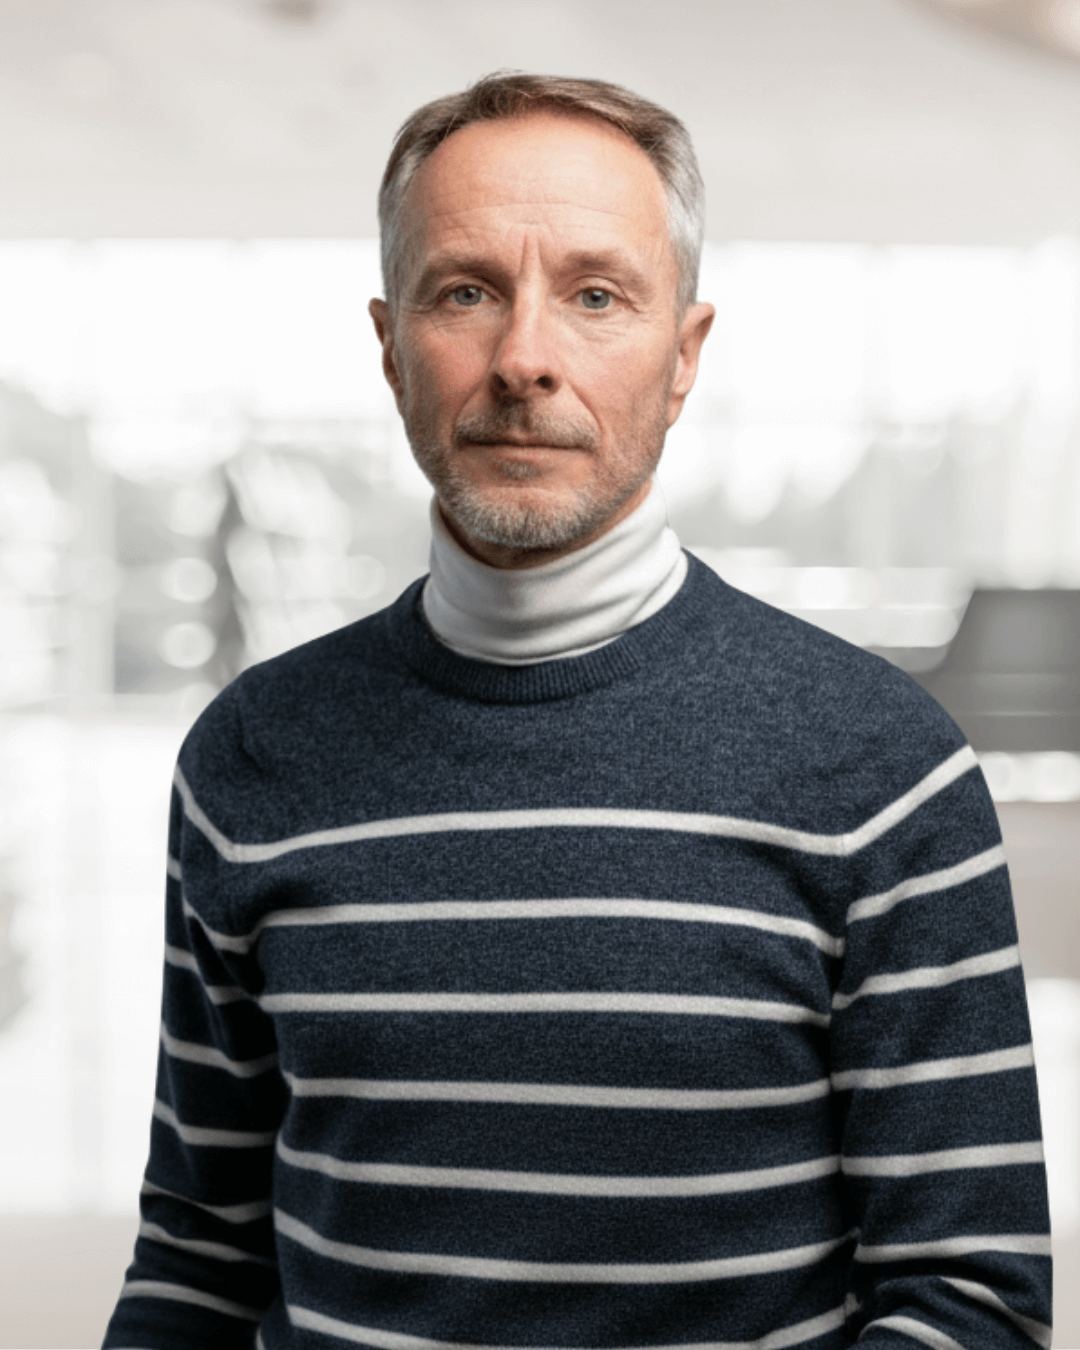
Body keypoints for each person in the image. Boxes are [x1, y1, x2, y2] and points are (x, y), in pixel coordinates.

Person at [103, 73, 1052, 1350]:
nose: (525, 359)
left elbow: (969, 1297)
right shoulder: (251, 756)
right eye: (466, 290)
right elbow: (197, 1257)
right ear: (390, 346)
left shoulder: (882, 769)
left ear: (684, 356)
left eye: (597, 295)